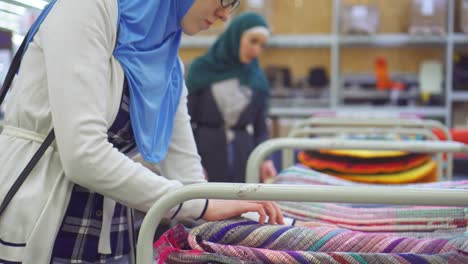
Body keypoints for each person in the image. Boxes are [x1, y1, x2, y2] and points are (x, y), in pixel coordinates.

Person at [0, 1, 285, 263]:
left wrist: (262, 219)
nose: (225, 14)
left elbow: (187, 175)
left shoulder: (167, 65)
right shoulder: (86, 9)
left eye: (233, 4)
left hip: (112, 231)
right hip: (43, 214)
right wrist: (202, 204)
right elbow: (83, 156)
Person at [186, 12, 277, 183]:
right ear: (236, 36)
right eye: (253, 41)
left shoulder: (258, 79)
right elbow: (185, 121)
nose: (256, 50)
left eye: (262, 45)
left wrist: (266, 160)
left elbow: (260, 129)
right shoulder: (202, 69)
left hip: (243, 155)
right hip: (205, 154)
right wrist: (190, 163)